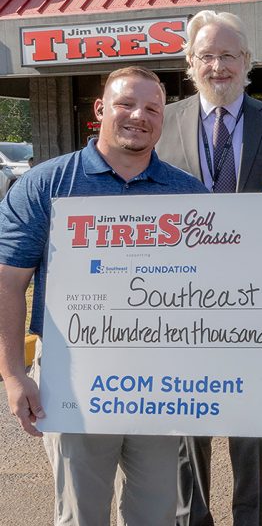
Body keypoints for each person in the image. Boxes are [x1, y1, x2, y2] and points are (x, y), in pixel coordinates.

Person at [0, 66, 207, 526]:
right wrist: (14, 375)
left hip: (160, 377)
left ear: (163, 118)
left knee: (156, 513)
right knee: (82, 513)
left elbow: (217, 284)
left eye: (152, 108)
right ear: (100, 109)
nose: (139, 116)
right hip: (73, 374)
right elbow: (8, 282)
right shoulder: (47, 184)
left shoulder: (188, 192)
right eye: (125, 104)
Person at [154, 10, 262, 526]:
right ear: (190, 62)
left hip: (256, 298)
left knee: (251, 428)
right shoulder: (163, 121)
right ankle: (193, 519)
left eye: (229, 55)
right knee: (188, 425)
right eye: (207, 55)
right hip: (181, 300)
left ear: (247, 61)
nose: (218, 66)